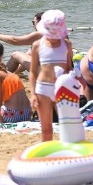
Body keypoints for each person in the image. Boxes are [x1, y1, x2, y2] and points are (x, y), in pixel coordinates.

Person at [29, 10, 73, 141]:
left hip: (62, 88)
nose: (53, 37)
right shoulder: (37, 45)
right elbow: (32, 72)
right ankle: (46, 159)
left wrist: (75, 79)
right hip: (43, 89)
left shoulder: (67, 45)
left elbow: (69, 67)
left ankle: (67, 156)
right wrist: (32, 94)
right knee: (46, 130)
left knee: (67, 127)